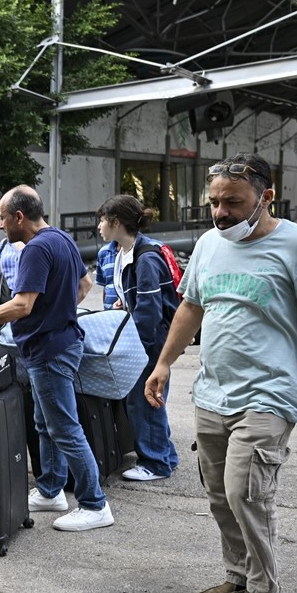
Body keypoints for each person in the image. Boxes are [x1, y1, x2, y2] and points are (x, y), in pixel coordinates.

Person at [145, 153, 297, 593]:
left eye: (233, 203)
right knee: (220, 496)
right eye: (214, 202)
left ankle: (262, 587)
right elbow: (191, 307)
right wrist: (164, 362)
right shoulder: (209, 245)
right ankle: (238, 575)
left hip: (271, 394)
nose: (220, 213)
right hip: (213, 392)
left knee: (246, 494)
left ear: (266, 197)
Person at [0, 185, 113, 532]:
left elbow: (22, 304)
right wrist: (58, 312)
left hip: (49, 350)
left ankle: (94, 504)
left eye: (2, 217)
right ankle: (50, 490)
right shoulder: (61, 238)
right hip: (59, 344)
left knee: (64, 427)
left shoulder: (35, 249)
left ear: (18, 216)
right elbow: (85, 285)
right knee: (46, 424)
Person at [95, 195, 181, 481]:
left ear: (116, 222)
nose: (99, 227)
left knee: (145, 400)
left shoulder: (145, 258)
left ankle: (155, 463)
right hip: (149, 340)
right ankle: (165, 455)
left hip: (150, 342)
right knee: (149, 398)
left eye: (102, 220)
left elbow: (149, 312)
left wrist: (135, 350)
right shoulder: (125, 252)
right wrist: (124, 303)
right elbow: (139, 300)